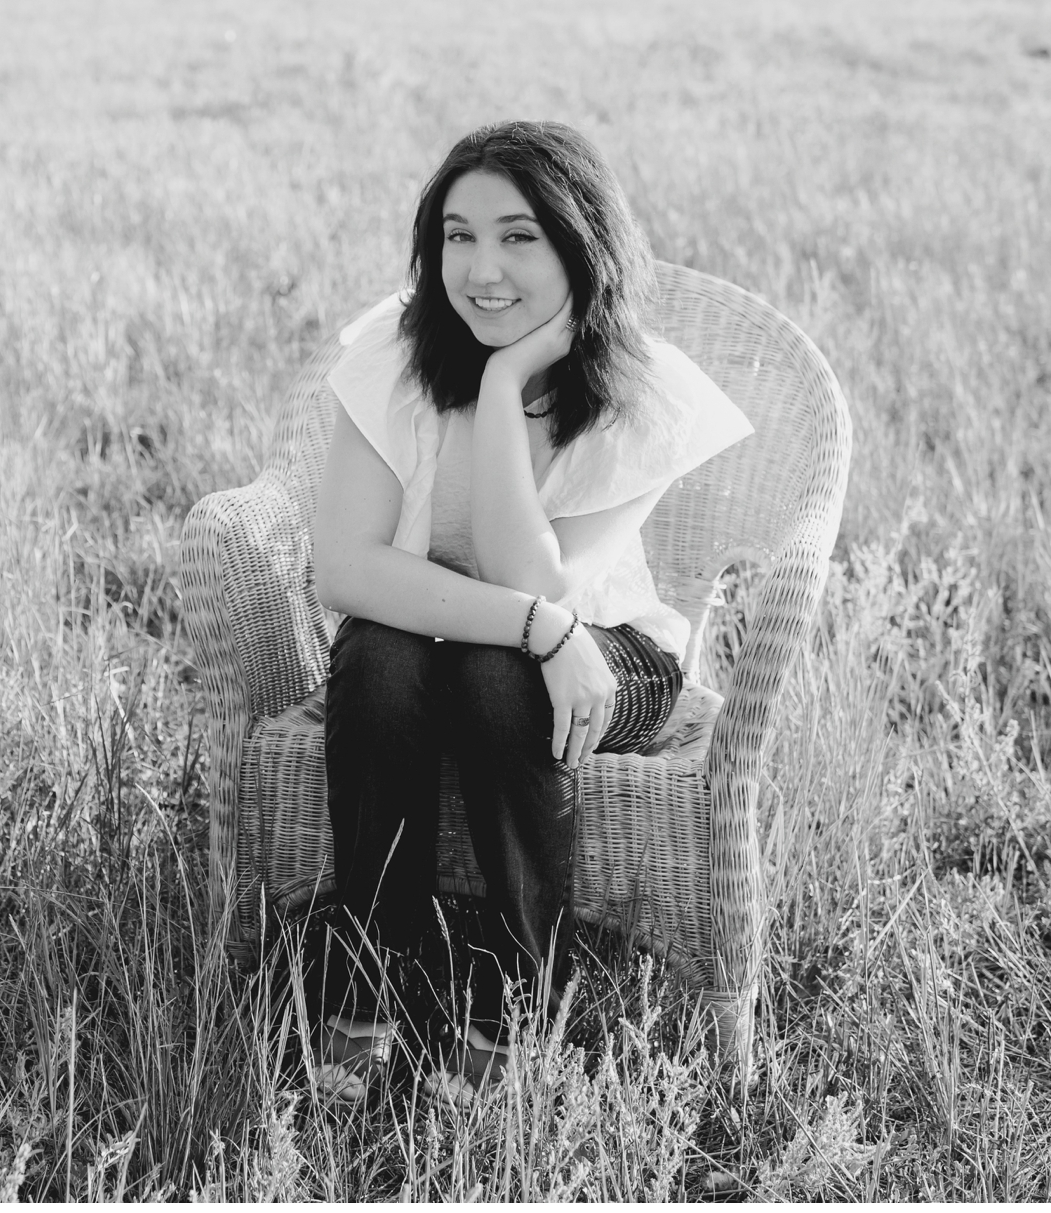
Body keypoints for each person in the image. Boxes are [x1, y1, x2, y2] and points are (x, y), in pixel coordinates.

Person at [304, 119, 753, 1101]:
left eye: (518, 236)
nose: (482, 268)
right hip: (471, 638)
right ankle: (375, 973)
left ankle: (515, 993)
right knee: (380, 652)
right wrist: (533, 626)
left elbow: (541, 580)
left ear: (578, 244)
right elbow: (344, 566)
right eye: (458, 236)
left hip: (612, 654)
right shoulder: (395, 353)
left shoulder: (644, 389)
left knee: (493, 668)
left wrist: (505, 386)